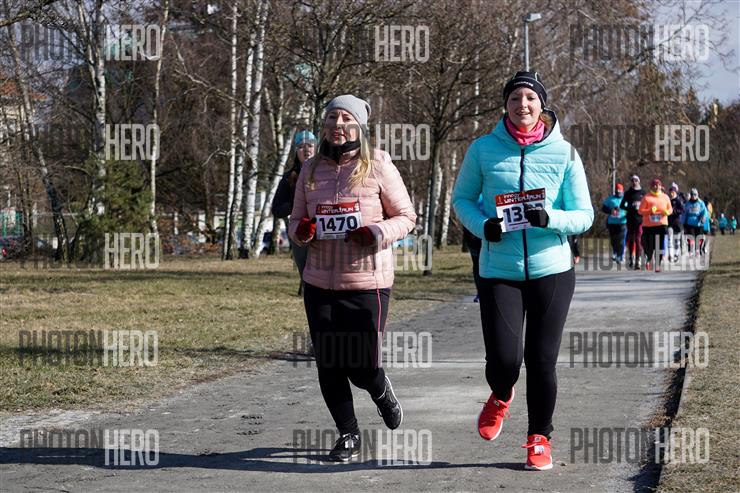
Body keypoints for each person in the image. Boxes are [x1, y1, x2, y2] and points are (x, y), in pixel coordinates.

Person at [452, 71, 593, 471]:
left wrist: (551, 218)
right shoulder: (483, 149)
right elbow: (462, 200)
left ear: (542, 105)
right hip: (499, 267)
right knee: (504, 360)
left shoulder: (565, 153)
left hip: (552, 269)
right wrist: (484, 226)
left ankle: (539, 438)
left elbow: (584, 214)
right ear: (506, 105)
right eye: (515, 99)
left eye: (530, 98)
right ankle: (500, 395)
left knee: (542, 359)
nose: (522, 105)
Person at [289, 95, 416, 462]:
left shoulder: (378, 164)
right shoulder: (310, 169)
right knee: (329, 362)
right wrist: (303, 231)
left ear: (359, 126)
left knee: (362, 365)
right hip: (319, 281)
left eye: (346, 118)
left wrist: (375, 232)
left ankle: (380, 390)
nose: (338, 125)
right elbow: (295, 221)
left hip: (367, 282)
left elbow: (406, 217)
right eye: (332, 118)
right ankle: (348, 433)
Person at [272, 130, 317, 295]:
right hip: (302, 233)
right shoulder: (289, 178)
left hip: (327, 231)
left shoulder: (328, 172)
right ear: (295, 151)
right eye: (301, 146)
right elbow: (277, 209)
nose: (306, 150)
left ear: (316, 148)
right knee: (307, 277)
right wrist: (295, 204)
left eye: (310, 145)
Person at [638, 178, 672, 272]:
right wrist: (649, 211)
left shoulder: (665, 197)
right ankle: (648, 258)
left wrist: (667, 212)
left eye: (658, 185)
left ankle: (657, 265)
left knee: (659, 246)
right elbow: (640, 211)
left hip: (661, 224)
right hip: (649, 226)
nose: (656, 187)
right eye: (654, 185)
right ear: (651, 187)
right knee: (649, 245)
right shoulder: (646, 198)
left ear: (661, 186)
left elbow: (670, 209)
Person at [620, 175, 645, 269]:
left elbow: (647, 205)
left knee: (638, 239)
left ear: (639, 181)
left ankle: (638, 261)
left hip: (640, 219)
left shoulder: (643, 193)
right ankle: (631, 257)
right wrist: (630, 207)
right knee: (631, 239)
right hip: (630, 219)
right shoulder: (628, 193)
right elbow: (622, 205)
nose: (634, 182)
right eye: (632, 181)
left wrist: (641, 208)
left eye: (636, 180)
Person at [463, 194, 485, 302]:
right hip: (473, 229)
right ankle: (480, 292)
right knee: (477, 262)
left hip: (491, 225)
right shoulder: (471, 190)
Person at [601, 183, 627, 263]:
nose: (618, 193)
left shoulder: (626, 199)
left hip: (623, 222)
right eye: (617, 191)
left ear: (622, 191)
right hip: (612, 222)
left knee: (621, 240)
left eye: (620, 191)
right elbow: (604, 208)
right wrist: (611, 211)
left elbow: (630, 209)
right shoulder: (610, 199)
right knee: (614, 240)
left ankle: (621, 255)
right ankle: (615, 253)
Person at [682, 188, 708, 257]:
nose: (693, 196)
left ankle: (697, 250)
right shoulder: (687, 204)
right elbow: (684, 213)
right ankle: (690, 250)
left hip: (699, 223)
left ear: (697, 195)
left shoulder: (701, 203)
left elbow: (705, 212)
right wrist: (683, 222)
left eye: (695, 195)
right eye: (692, 195)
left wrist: (703, 217)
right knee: (690, 237)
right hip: (690, 223)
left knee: (699, 237)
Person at [667, 183, 685, 262]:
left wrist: (674, 211)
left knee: (677, 241)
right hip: (669, 223)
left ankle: (676, 255)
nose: (671, 194)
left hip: (677, 223)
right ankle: (670, 255)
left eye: (673, 192)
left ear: (675, 192)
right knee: (670, 239)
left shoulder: (678, 200)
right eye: (670, 192)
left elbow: (682, 210)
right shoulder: (667, 200)